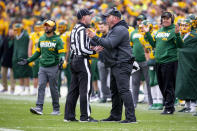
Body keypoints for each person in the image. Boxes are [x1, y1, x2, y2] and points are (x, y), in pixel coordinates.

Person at [87, 7, 137, 123]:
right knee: (115, 91)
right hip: (116, 64)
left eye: (108, 17)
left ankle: (131, 118)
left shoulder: (119, 29)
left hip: (122, 63)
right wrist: (90, 38)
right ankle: (115, 116)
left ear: (115, 18)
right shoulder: (115, 29)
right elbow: (105, 43)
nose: (106, 19)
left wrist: (94, 36)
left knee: (124, 90)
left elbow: (109, 44)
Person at [18, 19, 65, 115]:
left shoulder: (58, 39)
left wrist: (61, 59)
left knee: (53, 88)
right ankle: (39, 107)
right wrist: (28, 60)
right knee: (41, 86)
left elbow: (61, 53)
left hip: (53, 66)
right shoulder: (42, 38)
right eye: (45, 25)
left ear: (54, 27)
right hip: (42, 66)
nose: (46, 27)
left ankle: (56, 109)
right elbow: (38, 52)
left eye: (49, 25)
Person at [64, 8, 102, 122]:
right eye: (89, 15)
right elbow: (82, 48)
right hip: (82, 61)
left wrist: (90, 48)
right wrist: (95, 51)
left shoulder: (75, 28)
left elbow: (76, 47)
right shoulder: (82, 29)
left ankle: (69, 116)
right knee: (86, 90)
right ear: (84, 17)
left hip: (74, 60)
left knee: (73, 90)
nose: (91, 17)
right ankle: (85, 116)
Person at [144, 11, 183, 114]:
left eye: (167, 18)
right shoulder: (160, 30)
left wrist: (178, 34)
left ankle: (169, 107)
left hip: (170, 61)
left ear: (172, 19)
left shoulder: (174, 30)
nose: (165, 20)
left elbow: (180, 45)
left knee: (168, 85)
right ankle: (168, 104)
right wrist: (147, 33)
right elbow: (154, 45)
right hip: (159, 61)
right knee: (162, 85)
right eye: (163, 18)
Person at [130, 14, 153, 109]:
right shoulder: (133, 33)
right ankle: (134, 103)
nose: (139, 21)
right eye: (138, 20)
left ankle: (152, 102)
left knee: (149, 82)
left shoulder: (149, 32)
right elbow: (130, 46)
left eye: (141, 20)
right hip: (135, 61)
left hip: (146, 60)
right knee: (135, 82)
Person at [175, 19, 197, 114]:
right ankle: (187, 106)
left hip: (191, 62)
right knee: (183, 84)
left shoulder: (194, 36)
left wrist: (181, 51)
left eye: (186, 25)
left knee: (191, 83)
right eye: (182, 25)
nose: (184, 27)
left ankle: (193, 106)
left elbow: (192, 50)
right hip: (183, 63)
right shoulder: (182, 35)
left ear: (191, 26)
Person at [12, 22, 32, 95]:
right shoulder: (15, 36)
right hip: (17, 56)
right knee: (20, 73)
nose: (16, 31)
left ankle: (27, 88)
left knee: (25, 73)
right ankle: (21, 88)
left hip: (24, 56)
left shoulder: (26, 35)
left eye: (17, 29)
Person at [28, 21, 44, 96]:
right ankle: (34, 90)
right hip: (35, 57)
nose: (38, 29)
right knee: (35, 75)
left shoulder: (44, 35)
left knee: (45, 75)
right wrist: (30, 58)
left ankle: (46, 91)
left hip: (43, 57)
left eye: (39, 27)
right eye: (36, 27)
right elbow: (30, 47)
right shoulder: (33, 35)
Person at [97, 21, 111, 103]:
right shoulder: (100, 36)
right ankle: (105, 96)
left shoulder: (111, 35)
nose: (100, 29)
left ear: (107, 26)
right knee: (102, 80)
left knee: (112, 80)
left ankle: (113, 95)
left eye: (102, 27)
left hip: (110, 60)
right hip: (101, 60)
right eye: (100, 27)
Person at [0, 28, 15, 94]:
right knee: (3, 74)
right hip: (5, 60)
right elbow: (1, 49)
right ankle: (5, 88)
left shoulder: (16, 40)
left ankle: (12, 89)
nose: (11, 33)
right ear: (8, 33)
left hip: (12, 60)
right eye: (10, 32)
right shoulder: (5, 39)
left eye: (12, 32)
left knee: (12, 76)